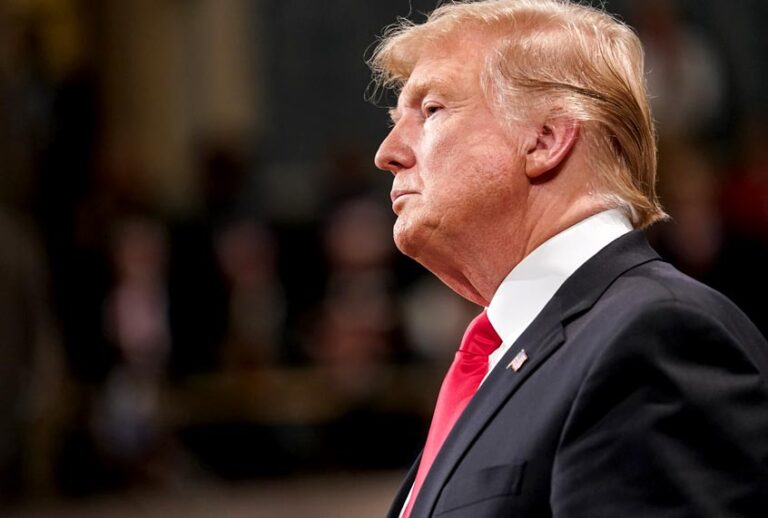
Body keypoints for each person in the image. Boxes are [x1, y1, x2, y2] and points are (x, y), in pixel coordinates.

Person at [368, 1, 768, 517]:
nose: (387, 151)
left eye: (431, 110)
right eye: (396, 118)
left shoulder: (656, 336)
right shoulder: (518, 353)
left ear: (546, 140)